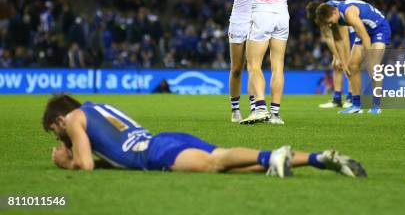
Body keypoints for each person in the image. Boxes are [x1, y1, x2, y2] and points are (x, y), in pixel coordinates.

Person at [43, 94, 366, 177]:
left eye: (55, 133)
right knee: (225, 164)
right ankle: (317, 158)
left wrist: (65, 162)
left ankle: (276, 155)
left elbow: (83, 165)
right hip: (164, 140)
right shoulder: (96, 107)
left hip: (155, 153)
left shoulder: (73, 119)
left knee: (216, 163)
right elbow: (108, 158)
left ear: (59, 119)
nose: (60, 138)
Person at [223, 0, 299, 125]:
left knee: (254, 66)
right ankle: (275, 114)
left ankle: (260, 108)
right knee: (278, 67)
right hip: (282, 15)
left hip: (262, 13)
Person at [314, 0, 391, 114]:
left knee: (373, 66)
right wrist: (343, 62)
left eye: (330, 21)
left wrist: (369, 59)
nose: (330, 24)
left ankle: (376, 105)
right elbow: (339, 40)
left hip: (379, 28)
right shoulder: (334, 13)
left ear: (334, 13)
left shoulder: (349, 14)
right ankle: (356, 105)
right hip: (364, 29)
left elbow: (366, 38)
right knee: (352, 66)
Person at [219, 0, 261, 122]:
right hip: (238, 19)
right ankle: (235, 109)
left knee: (254, 67)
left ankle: (255, 107)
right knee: (237, 68)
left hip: (258, 21)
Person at [306, 2, 352, 109]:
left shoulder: (332, 11)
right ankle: (337, 100)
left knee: (349, 66)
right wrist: (336, 56)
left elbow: (344, 37)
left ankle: (351, 99)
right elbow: (328, 37)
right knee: (336, 65)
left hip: (350, 34)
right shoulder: (322, 16)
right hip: (339, 38)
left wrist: (345, 58)